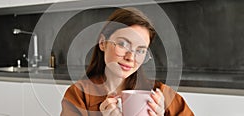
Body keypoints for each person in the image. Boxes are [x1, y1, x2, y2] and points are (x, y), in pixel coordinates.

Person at [61, 7, 194, 116]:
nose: (131, 57)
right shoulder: (78, 95)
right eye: (123, 44)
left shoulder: (161, 95)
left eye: (140, 50)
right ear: (102, 43)